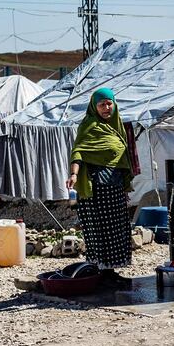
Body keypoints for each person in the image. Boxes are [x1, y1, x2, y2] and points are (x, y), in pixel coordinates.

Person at [66, 88, 135, 288]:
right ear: (94, 107)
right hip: (97, 189)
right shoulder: (90, 125)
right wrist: (74, 174)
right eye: (102, 104)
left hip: (114, 188)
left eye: (109, 104)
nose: (106, 108)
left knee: (117, 229)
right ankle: (102, 273)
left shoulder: (116, 125)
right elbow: (78, 151)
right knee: (101, 230)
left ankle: (111, 271)